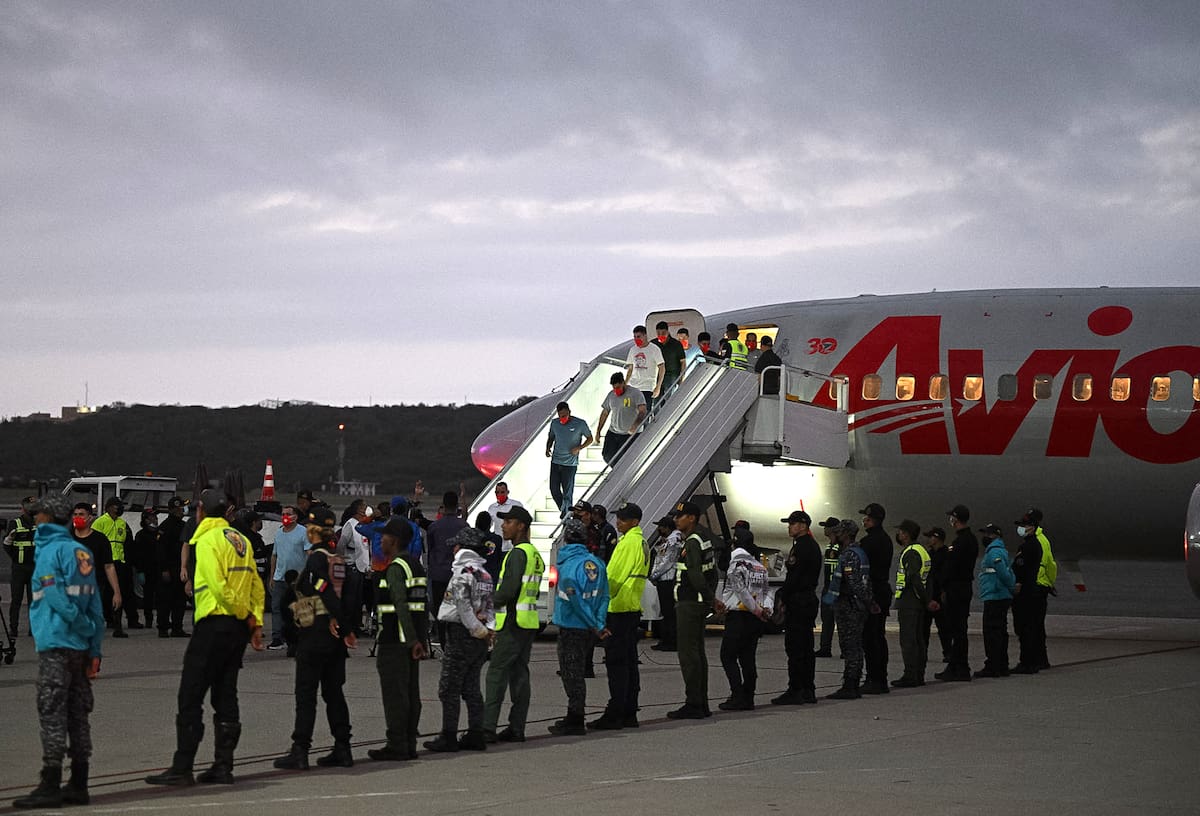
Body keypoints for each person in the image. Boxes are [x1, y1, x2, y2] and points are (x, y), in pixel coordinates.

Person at [146, 489, 265, 787]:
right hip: (237, 631)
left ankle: (182, 767)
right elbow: (255, 583)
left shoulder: (207, 540)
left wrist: (237, 612)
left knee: (190, 696)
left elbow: (217, 583)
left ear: (201, 511)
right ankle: (223, 766)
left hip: (214, 623)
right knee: (226, 695)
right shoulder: (240, 541)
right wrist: (254, 622)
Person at [12, 494, 105, 809]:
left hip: (57, 644)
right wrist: (94, 646)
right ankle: (79, 782)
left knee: (52, 711)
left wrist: (79, 626)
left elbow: (54, 597)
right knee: (78, 714)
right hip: (79, 648)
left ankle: (50, 782)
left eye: (39, 514)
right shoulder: (81, 552)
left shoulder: (50, 552)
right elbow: (95, 604)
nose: (35, 518)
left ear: (51, 518)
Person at [273, 508, 359, 770]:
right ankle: (342, 747)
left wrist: (340, 625)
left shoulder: (317, 561)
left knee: (306, 694)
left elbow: (323, 593)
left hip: (316, 636)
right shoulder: (340, 561)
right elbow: (352, 598)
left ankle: (300, 750)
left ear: (313, 531)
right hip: (334, 642)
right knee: (334, 694)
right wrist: (346, 627)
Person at [425, 527, 494, 753]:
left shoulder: (461, 575)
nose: (453, 548)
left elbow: (464, 610)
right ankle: (476, 733)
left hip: (461, 634)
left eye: (456, 545)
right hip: (479, 637)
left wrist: (477, 630)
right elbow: (491, 608)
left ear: (464, 548)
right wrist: (487, 632)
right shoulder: (484, 574)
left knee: (449, 688)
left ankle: (448, 736)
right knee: (472, 687)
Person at [369, 518, 429, 760]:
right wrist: (419, 640)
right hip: (411, 641)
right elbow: (422, 608)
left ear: (393, 540)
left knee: (395, 695)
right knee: (410, 693)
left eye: (384, 536)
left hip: (395, 640)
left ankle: (397, 744)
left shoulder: (395, 568)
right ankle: (409, 742)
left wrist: (411, 640)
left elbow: (400, 605)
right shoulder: (415, 565)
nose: (380, 539)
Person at [483, 505, 544, 742]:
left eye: (508, 522)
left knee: (496, 672)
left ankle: (487, 728)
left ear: (521, 526)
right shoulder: (534, 554)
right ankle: (517, 727)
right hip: (527, 622)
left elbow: (508, 590)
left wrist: (486, 605)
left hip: (512, 621)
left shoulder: (517, 554)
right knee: (519, 675)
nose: (503, 526)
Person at [548, 517, 609, 736]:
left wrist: (592, 624)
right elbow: (604, 596)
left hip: (572, 626)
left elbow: (575, 600)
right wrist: (599, 623)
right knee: (579, 671)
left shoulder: (569, 566)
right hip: (589, 629)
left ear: (566, 538)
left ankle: (575, 718)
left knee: (571, 673)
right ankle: (574, 715)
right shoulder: (597, 564)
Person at [589, 502, 648, 729]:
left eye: (623, 519)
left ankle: (615, 713)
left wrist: (599, 603)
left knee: (616, 663)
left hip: (619, 608)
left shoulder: (628, 544)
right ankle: (629, 711)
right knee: (630, 663)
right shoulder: (641, 542)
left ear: (634, 521)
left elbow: (612, 578)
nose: (618, 522)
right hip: (632, 607)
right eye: (618, 518)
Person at [667, 501, 723, 720]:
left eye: (680, 516)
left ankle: (694, 703)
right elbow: (713, 572)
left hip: (689, 603)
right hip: (699, 603)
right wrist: (711, 599)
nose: (675, 520)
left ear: (692, 518)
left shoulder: (691, 542)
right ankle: (701, 702)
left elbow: (695, 575)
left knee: (688, 655)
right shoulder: (704, 538)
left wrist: (711, 598)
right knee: (698, 654)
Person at [718, 525, 771, 711]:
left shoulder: (736, 564)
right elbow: (766, 592)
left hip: (739, 616)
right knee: (748, 658)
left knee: (727, 656)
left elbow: (741, 592)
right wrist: (765, 611)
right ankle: (749, 697)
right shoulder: (759, 565)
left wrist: (756, 610)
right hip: (755, 620)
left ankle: (737, 695)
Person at [772, 510, 822, 705]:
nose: (789, 527)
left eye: (793, 523)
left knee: (795, 647)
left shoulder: (801, 547)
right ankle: (808, 689)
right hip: (807, 600)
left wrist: (783, 596)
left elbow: (795, 576)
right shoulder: (813, 546)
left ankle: (796, 689)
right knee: (806, 647)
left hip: (799, 601)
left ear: (803, 526)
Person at [823, 519, 875, 700]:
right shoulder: (858, 552)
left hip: (849, 606)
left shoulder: (849, 555)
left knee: (851, 645)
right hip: (854, 605)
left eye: (838, 532)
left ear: (845, 534)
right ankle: (851, 683)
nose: (835, 535)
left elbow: (854, 583)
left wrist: (865, 602)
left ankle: (850, 684)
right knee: (853, 645)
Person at [68, 503, 122, 650]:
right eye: (75, 514)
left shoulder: (100, 539)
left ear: (89, 518)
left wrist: (116, 592)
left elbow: (109, 566)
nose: (77, 518)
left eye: (81, 515)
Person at [935, 504, 978, 682]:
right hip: (965, 587)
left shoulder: (960, 541)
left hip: (956, 588)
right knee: (960, 629)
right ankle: (959, 665)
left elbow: (952, 567)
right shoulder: (972, 539)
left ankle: (958, 667)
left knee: (956, 629)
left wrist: (943, 586)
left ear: (955, 519)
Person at [857, 502, 893, 695]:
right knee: (878, 636)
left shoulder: (869, 541)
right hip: (882, 590)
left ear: (874, 520)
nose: (864, 520)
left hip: (873, 591)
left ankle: (874, 678)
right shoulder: (886, 539)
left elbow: (863, 569)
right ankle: (880, 677)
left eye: (867, 518)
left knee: (870, 638)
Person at [426, 491, 468, 649]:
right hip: (457, 575)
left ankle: (444, 645)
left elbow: (431, 549)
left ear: (443, 505)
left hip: (438, 574)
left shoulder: (434, 527)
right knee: (459, 611)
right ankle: (456, 643)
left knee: (440, 611)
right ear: (456, 504)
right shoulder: (463, 526)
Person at [891, 519, 931, 688]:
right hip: (917, 602)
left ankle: (911, 675)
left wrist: (925, 600)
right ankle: (918, 674)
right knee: (918, 640)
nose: (898, 534)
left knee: (909, 641)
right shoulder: (922, 551)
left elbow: (913, 577)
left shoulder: (911, 552)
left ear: (906, 534)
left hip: (909, 602)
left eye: (900, 531)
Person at [975, 523, 1015, 678]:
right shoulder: (1000, 550)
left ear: (994, 536)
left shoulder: (994, 552)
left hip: (995, 595)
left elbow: (1003, 573)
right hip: (997, 595)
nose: (984, 537)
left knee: (992, 633)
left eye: (987, 534)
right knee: (1000, 631)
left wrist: (1011, 587)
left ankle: (993, 665)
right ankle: (1001, 665)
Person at [92, 497, 138, 633]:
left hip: (120, 562)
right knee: (105, 593)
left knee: (119, 592)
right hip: (104, 563)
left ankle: (117, 622)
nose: (119, 508)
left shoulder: (122, 523)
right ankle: (108, 619)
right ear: (110, 507)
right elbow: (94, 542)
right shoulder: (99, 522)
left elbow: (126, 543)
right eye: (117, 506)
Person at [1011, 510, 1048, 674]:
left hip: (1026, 593)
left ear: (1032, 527)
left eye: (1024, 525)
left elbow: (1021, 567)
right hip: (1033, 590)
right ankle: (1034, 661)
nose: (1021, 528)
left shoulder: (1029, 546)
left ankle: (1027, 662)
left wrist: (1018, 582)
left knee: (1025, 628)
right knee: (1032, 627)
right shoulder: (1036, 544)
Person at [268, 506, 310, 650]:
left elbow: (309, 553)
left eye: (288, 514)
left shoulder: (303, 532)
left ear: (295, 517)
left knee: (298, 609)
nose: (285, 516)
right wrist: (272, 575)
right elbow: (274, 555)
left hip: (297, 579)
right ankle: (277, 638)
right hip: (280, 578)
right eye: (283, 514)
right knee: (277, 608)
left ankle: (299, 637)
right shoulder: (279, 533)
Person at [545, 401, 594, 518]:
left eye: (565, 415)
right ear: (557, 414)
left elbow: (590, 438)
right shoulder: (555, 423)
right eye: (561, 416)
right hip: (556, 461)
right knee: (554, 488)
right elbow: (551, 437)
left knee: (567, 492)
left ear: (569, 412)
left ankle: (566, 516)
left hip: (570, 463)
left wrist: (579, 448)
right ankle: (565, 511)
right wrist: (547, 448)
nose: (563, 418)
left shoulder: (580, 423)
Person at [1022, 508, 1056, 670]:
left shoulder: (1036, 541)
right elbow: (1051, 565)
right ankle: (1041, 659)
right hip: (1042, 585)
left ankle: (1035, 660)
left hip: (1035, 585)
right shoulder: (1044, 539)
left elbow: (1045, 565)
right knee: (1038, 625)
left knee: (1032, 625)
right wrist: (1049, 583)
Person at [596, 372, 647, 466]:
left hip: (630, 433)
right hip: (613, 431)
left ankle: (620, 475)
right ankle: (616, 473)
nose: (616, 390)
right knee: (607, 455)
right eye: (614, 388)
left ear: (623, 383)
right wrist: (598, 431)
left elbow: (643, 411)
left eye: (618, 387)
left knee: (624, 459)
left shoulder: (635, 393)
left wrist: (636, 425)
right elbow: (605, 413)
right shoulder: (611, 395)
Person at [3, 496, 37, 638]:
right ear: (23, 508)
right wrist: (17, 558)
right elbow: (7, 546)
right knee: (16, 600)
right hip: (19, 568)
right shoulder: (15, 523)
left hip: (35, 568)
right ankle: (13, 629)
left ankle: (33, 629)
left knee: (34, 601)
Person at [156, 497, 190, 637]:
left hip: (180, 567)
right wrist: (164, 569)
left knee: (180, 600)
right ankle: (163, 628)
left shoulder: (184, 526)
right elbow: (160, 549)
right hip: (168, 568)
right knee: (165, 600)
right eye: (180, 508)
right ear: (174, 509)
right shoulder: (165, 527)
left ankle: (177, 627)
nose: (182, 511)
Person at [648, 515, 681, 651]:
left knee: (669, 613)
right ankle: (666, 640)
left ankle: (671, 641)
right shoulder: (668, 540)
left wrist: (653, 575)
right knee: (666, 612)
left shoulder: (672, 541)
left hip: (668, 579)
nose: (658, 529)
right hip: (664, 578)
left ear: (667, 527)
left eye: (660, 526)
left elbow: (667, 561)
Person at [921, 527, 952, 664]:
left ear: (937, 538)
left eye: (930, 537)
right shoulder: (929, 554)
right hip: (928, 595)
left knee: (944, 627)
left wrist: (943, 591)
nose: (928, 539)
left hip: (939, 595)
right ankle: (923, 653)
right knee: (924, 628)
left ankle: (948, 652)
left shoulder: (946, 554)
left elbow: (945, 575)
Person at [131, 508, 161, 631]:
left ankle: (162, 619)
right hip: (147, 570)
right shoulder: (141, 535)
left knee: (161, 596)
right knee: (148, 597)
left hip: (159, 569)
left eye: (155, 517)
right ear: (145, 520)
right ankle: (148, 619)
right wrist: (140, 571)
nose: (155, 519)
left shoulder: (160, 534)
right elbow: (137, 555)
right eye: (152, 517)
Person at [814, 516, 840, 658]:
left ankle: (844, 649)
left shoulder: (840, 547)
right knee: (827, 619)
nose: (824, 529)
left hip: (836, 588)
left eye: (826, 526)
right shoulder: (830, 546)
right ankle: (825, 648)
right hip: (828, 587)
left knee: (840, 620)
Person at [624, 324, 665, 407]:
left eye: (638, 336)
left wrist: (658, 386)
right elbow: (630, 369)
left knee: (643, 412)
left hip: (647, 387)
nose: (636, 339)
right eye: (635, 337)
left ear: (645, 336)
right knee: (628, 410)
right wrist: (625, 383)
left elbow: (662, 367)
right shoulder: (633, 349)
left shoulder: (654, 349)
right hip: (633, 386)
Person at [651, 320, 687, 403]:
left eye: (663, 333)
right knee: (655, 399)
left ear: (667, 332)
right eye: (658, 333)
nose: (660, 335)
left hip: (671, 375)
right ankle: (656, 415)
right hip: (657, 376)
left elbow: (683, 362)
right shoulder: (653, 344)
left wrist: (681, 378)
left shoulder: (676, 344)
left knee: (670, 399)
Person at [486, 482, 524, 553]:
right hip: (498, 546)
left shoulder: (516, 505)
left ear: (507, 492)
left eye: (502, 492)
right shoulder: (492, 508)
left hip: (512, 546)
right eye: (497, 492)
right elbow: (488, 525)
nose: (499, 494)